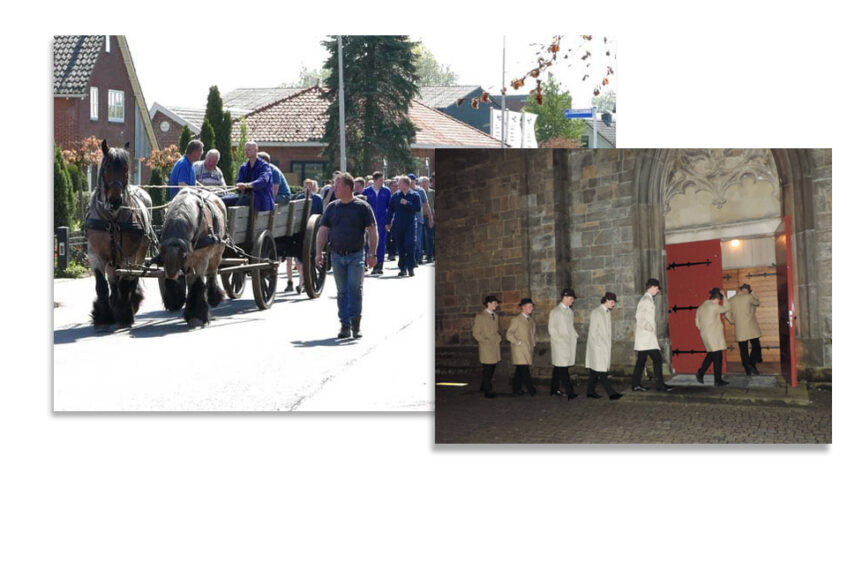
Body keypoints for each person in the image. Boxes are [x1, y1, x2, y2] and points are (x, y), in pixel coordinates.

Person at [315, 172, 378, 339]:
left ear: (348, 188)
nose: (334, 188)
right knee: (342, 291)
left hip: (356, 255)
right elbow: (323, 230)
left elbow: (372, 230)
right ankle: (345, 325)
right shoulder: (332, 208)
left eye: (338, 185)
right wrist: (318, 252)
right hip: (336, 256)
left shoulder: (362, 207)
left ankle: (356, 324)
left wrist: (372, 253)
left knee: (355, 289)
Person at [631, 278, 673, 392]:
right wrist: (649, 327)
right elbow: (639, 317)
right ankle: (659, 385)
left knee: (641, 361)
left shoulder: (648, 300)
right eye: (657, 289)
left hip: (647, 338)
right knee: (657, 359)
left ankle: (636, 384)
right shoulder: (645, 300)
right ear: (653, 287)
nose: (658, 291)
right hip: (646, 338)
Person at [585, 292, 624, 400]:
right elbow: (593, 332)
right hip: (598, 347)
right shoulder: (597, 312)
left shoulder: (606, 312)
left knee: (595, 371)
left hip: (603, 346)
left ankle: (590, 391)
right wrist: (598, 346)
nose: (613, 304)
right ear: (606, 300)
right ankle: (611, 393)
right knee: (602, 372)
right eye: (612, 302)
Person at [287, 179, 324, 293]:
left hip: (312, 232)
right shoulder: (298, 198)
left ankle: (301, 283)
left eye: (310, 185)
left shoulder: (317, 199)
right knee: (298, 262)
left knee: (304, 260)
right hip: (300, 231)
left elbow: (320, 216)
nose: (308, 188)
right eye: (305, 185)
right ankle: (300, 282)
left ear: (314, 187)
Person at [695, 287, 731, 386]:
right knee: (718, 357)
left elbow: (697, 323)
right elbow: (727, 308)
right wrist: (725, 298)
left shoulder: (701, 306)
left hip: (706, 335)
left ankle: (700, 373)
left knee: (711, 355)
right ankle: (717, 381)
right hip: (714, 335)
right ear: (718, 298)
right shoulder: (714, 306)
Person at [385, 176, 420, 277]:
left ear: (406, 184)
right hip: (398, 224)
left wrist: (407, 203)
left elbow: (417, 208)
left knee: (410, 245)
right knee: (400, 247)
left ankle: (411, 267)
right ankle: (402, 268)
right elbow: (390, 210)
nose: (397, 185)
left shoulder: (414, 195)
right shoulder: (395, 196)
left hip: (410, 224)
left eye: (399, 183)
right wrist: (388, 223)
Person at [224, 141, 274, 211]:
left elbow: (263, 181)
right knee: (223, 200)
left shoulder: (264, 166)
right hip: (245, 196)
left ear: (256, 150)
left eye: (249, 150)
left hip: (260, 199)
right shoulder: (243, 167)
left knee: (239, 204)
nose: (246, 152)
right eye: (245, 150)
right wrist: (239, 186)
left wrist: (247, 185)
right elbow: (239, 182)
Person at [725, 283, 763, 375]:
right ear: (748, 290)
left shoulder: (731, 300)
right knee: (756, 345)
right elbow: (757, 302)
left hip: (740, 328)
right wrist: (753, 293)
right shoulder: (749, 297)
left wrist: (733, 321)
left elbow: (726, 313)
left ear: (741, 289)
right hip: (751, 327)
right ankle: (751, 363)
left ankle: (747, 370)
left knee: (743, 349)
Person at [548, 288, 578, 399]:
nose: (572, 301)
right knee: (563, 369)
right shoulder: (555, 312)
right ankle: (570, 392)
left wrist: (574, 334)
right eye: (571, 299)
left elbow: (570, 327)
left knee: (558, 368)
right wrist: (559, 340)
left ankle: (553, 389)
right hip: (560, 345)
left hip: (568, 344)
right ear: (564, 298)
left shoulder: (570, 312)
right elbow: (552, 329)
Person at [472, 295, 502, 398]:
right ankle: (488, 391)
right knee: (488, 368)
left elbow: (496, 330)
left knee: (492, 367)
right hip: (486, 346)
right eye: (494, 303)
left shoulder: (496, 316)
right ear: (488, 304)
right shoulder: (480, 316)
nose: (496, 305)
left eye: (496, 303)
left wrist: (499, 338)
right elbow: (476, 332)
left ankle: (483, 386)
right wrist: (484, 341)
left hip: (494, 346)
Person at [362, 171, 391, 275]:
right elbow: (363, 207)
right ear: (374, 180)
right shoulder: (366, 191)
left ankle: (379, 265)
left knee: (381, 243)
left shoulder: (386, 191)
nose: (382, 182)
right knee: (369, 243)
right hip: (370, 222)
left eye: (383, 180)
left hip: (382, 221)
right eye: (380, 180)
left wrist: (389, 221)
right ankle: (370, 263)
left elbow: (390, 208)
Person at [506, 298, 536, 397]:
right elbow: (509, 334)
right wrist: (517, 342)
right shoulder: (516, 320)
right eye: (529, 306)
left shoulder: (531, 320)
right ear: (523, 308)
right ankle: (531, 389)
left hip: (528, 348)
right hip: (519, 349)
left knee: (519, 370)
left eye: (532, 306)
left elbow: (532, 334)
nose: (531, 308)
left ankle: (516, 389)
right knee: (524, 369)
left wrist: (533, 344)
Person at [409, 173, 433, 266]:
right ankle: (412, 258)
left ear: (415, 181)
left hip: (418, 219)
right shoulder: (404, 191)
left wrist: (430, 218)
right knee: (410, 240)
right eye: (409, 180)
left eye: (412, 180)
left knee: (418, 240)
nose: (411, 182)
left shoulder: (420, 191)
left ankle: (417, 258)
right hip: (407, 220)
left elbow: (426, 205)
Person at [421, 176, 435, 263]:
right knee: (421, 238)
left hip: (429, 216)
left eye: (426, 182)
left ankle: (430, 255)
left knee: (430, 237)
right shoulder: (418, 192)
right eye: (423, 182)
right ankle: (421, 255)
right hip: (420, 217)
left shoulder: (432, 192)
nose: (424, 183)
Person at [386, 177, 399, 261]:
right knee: (387, 237)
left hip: (396, 219)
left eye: (396, 186)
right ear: (390, 186)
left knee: (394, 237)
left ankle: (392, 253)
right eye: (393, 186)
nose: (395, 187)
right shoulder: (388, 195)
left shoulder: (398, 195)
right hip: (387, 218)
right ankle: (389, 252)